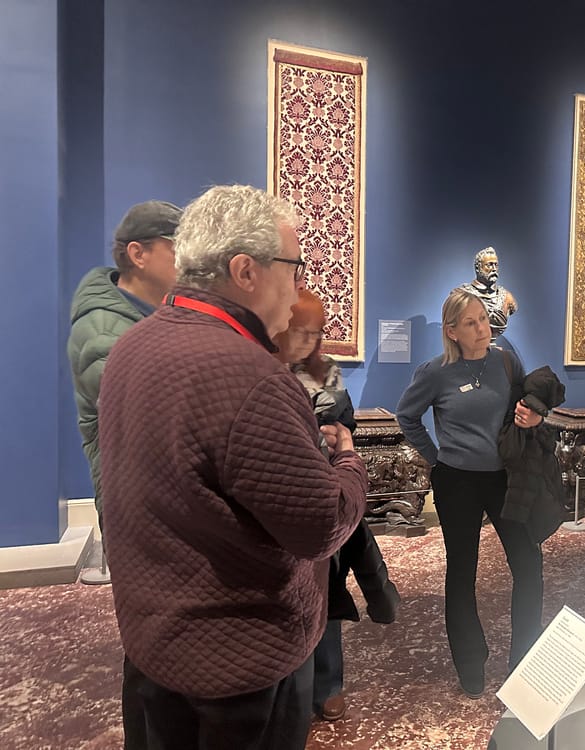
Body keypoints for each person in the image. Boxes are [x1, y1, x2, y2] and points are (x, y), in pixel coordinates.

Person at [98, 184, 368, 750]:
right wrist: (346, 459)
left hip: (153, 638)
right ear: (246, 271)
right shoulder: (252, 376)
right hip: (240, 663)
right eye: (294, 266)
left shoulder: (134, 344)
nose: (297, 288)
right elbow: (320, 525)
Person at [396, 287, 544, 699]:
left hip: (503, 479)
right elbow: (407, 415)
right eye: (470, 323)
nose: (482, 328)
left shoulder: (506, 362)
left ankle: (525, 658)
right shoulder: (435, 372)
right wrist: (435, 457)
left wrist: (532, 416)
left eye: (483, 319)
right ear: (452, 331)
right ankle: (470, 663)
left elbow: (524, 406)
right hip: (457, 481)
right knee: (463, 573)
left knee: (529, 563)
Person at [273, 289, 400, 723]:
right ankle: (294, 690)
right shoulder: (263, 369)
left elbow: (347, 420)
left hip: (327, 487)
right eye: (300, 331)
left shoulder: (326, 370)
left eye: (315, 333)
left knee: (326, 592)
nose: (308, 341)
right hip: (286, 494)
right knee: (292, 597)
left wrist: (336, 434)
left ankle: (329, 685)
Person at [67, 199, 182, 545]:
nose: (187, 259)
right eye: (177, 248)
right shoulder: (103, 330)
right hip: (133, 502)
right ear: (138, 254)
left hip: (158, 493)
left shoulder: (156, 312)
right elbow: (146, 416)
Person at [459, 246, 518, 342]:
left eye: (496, 265)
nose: (494, 269)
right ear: (478, 268)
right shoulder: (462, 295)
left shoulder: (507, 297)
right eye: (489, 265)